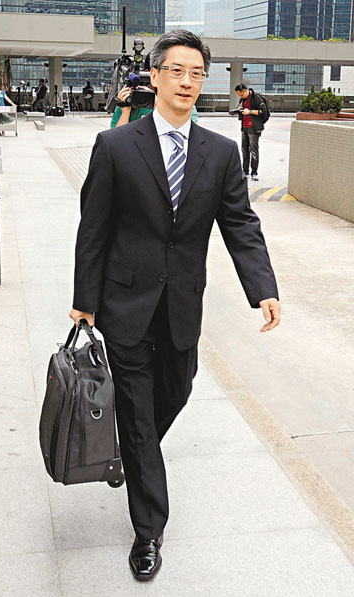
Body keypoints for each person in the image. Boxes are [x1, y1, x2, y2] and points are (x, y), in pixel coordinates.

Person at [70, 30, 280, 582]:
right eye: (177, 71)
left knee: (178, 390)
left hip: (183, 303)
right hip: (124, 303)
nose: (187, 82)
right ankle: (148, 531)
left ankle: (132, 454)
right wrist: (84, 300)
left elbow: (240, 224)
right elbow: (94, 228)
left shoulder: (221, 152)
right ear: (156, 76)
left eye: (196, 74)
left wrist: (264, 288)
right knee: (139, 416)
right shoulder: (116, 146)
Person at [234, 83, 268, 181]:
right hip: (244, 128)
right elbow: (244, 111)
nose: (240, 97)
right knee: (244, 150)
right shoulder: (243, 99)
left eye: (241, 95)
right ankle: (245, 171)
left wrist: (250, 111)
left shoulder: (256, 98)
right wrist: (239, 111)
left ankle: (254, 172)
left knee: (254, 151)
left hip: (253, 128)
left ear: (245, 91)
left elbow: (263, 112)